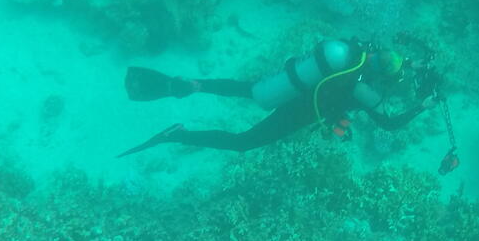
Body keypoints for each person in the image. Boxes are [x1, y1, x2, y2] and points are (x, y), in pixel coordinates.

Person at [118, 38, 437, 156]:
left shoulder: (356, 53)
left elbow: (389, 61)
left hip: (292, 85)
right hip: (298, 113)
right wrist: (423, 106)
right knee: (243, 142)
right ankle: (179, 135)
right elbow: (391, 124)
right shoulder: (361, 88)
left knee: (248, 90)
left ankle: (193, 84)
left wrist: (413, 63)